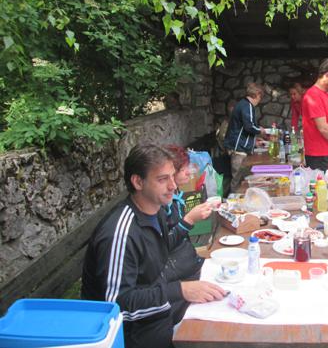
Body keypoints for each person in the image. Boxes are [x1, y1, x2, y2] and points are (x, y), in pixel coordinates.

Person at [81, 144, 225, 348]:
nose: (173, 186)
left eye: (172, 176)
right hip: (134, 334)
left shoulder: (156, 211)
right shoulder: (121, 233)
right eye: (162, 179)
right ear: (138, 182)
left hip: (157, 314)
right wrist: (180, 290)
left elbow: (161, 252)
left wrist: (181, 290)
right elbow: (116, 306)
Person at [162, 145, 215, 282]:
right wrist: (189, 219)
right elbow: (164, 245)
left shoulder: (176, 195)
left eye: (188, 167)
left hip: (190, 261)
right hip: (178, 275)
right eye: (182, 169)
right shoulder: (161, 203)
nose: (188, 172)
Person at [224, 82, 266, 191]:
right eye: (260, 97)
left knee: (239, 178)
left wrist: (253, 141)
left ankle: (236, 196)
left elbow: (242, 128)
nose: (259, 100)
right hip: (239, 149)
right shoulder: (247, 106)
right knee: (238, 179)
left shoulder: (242, 104)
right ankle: (234, 198)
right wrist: (261, 130)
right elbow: (249, 126)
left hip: (237, 146)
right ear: (257, 94)